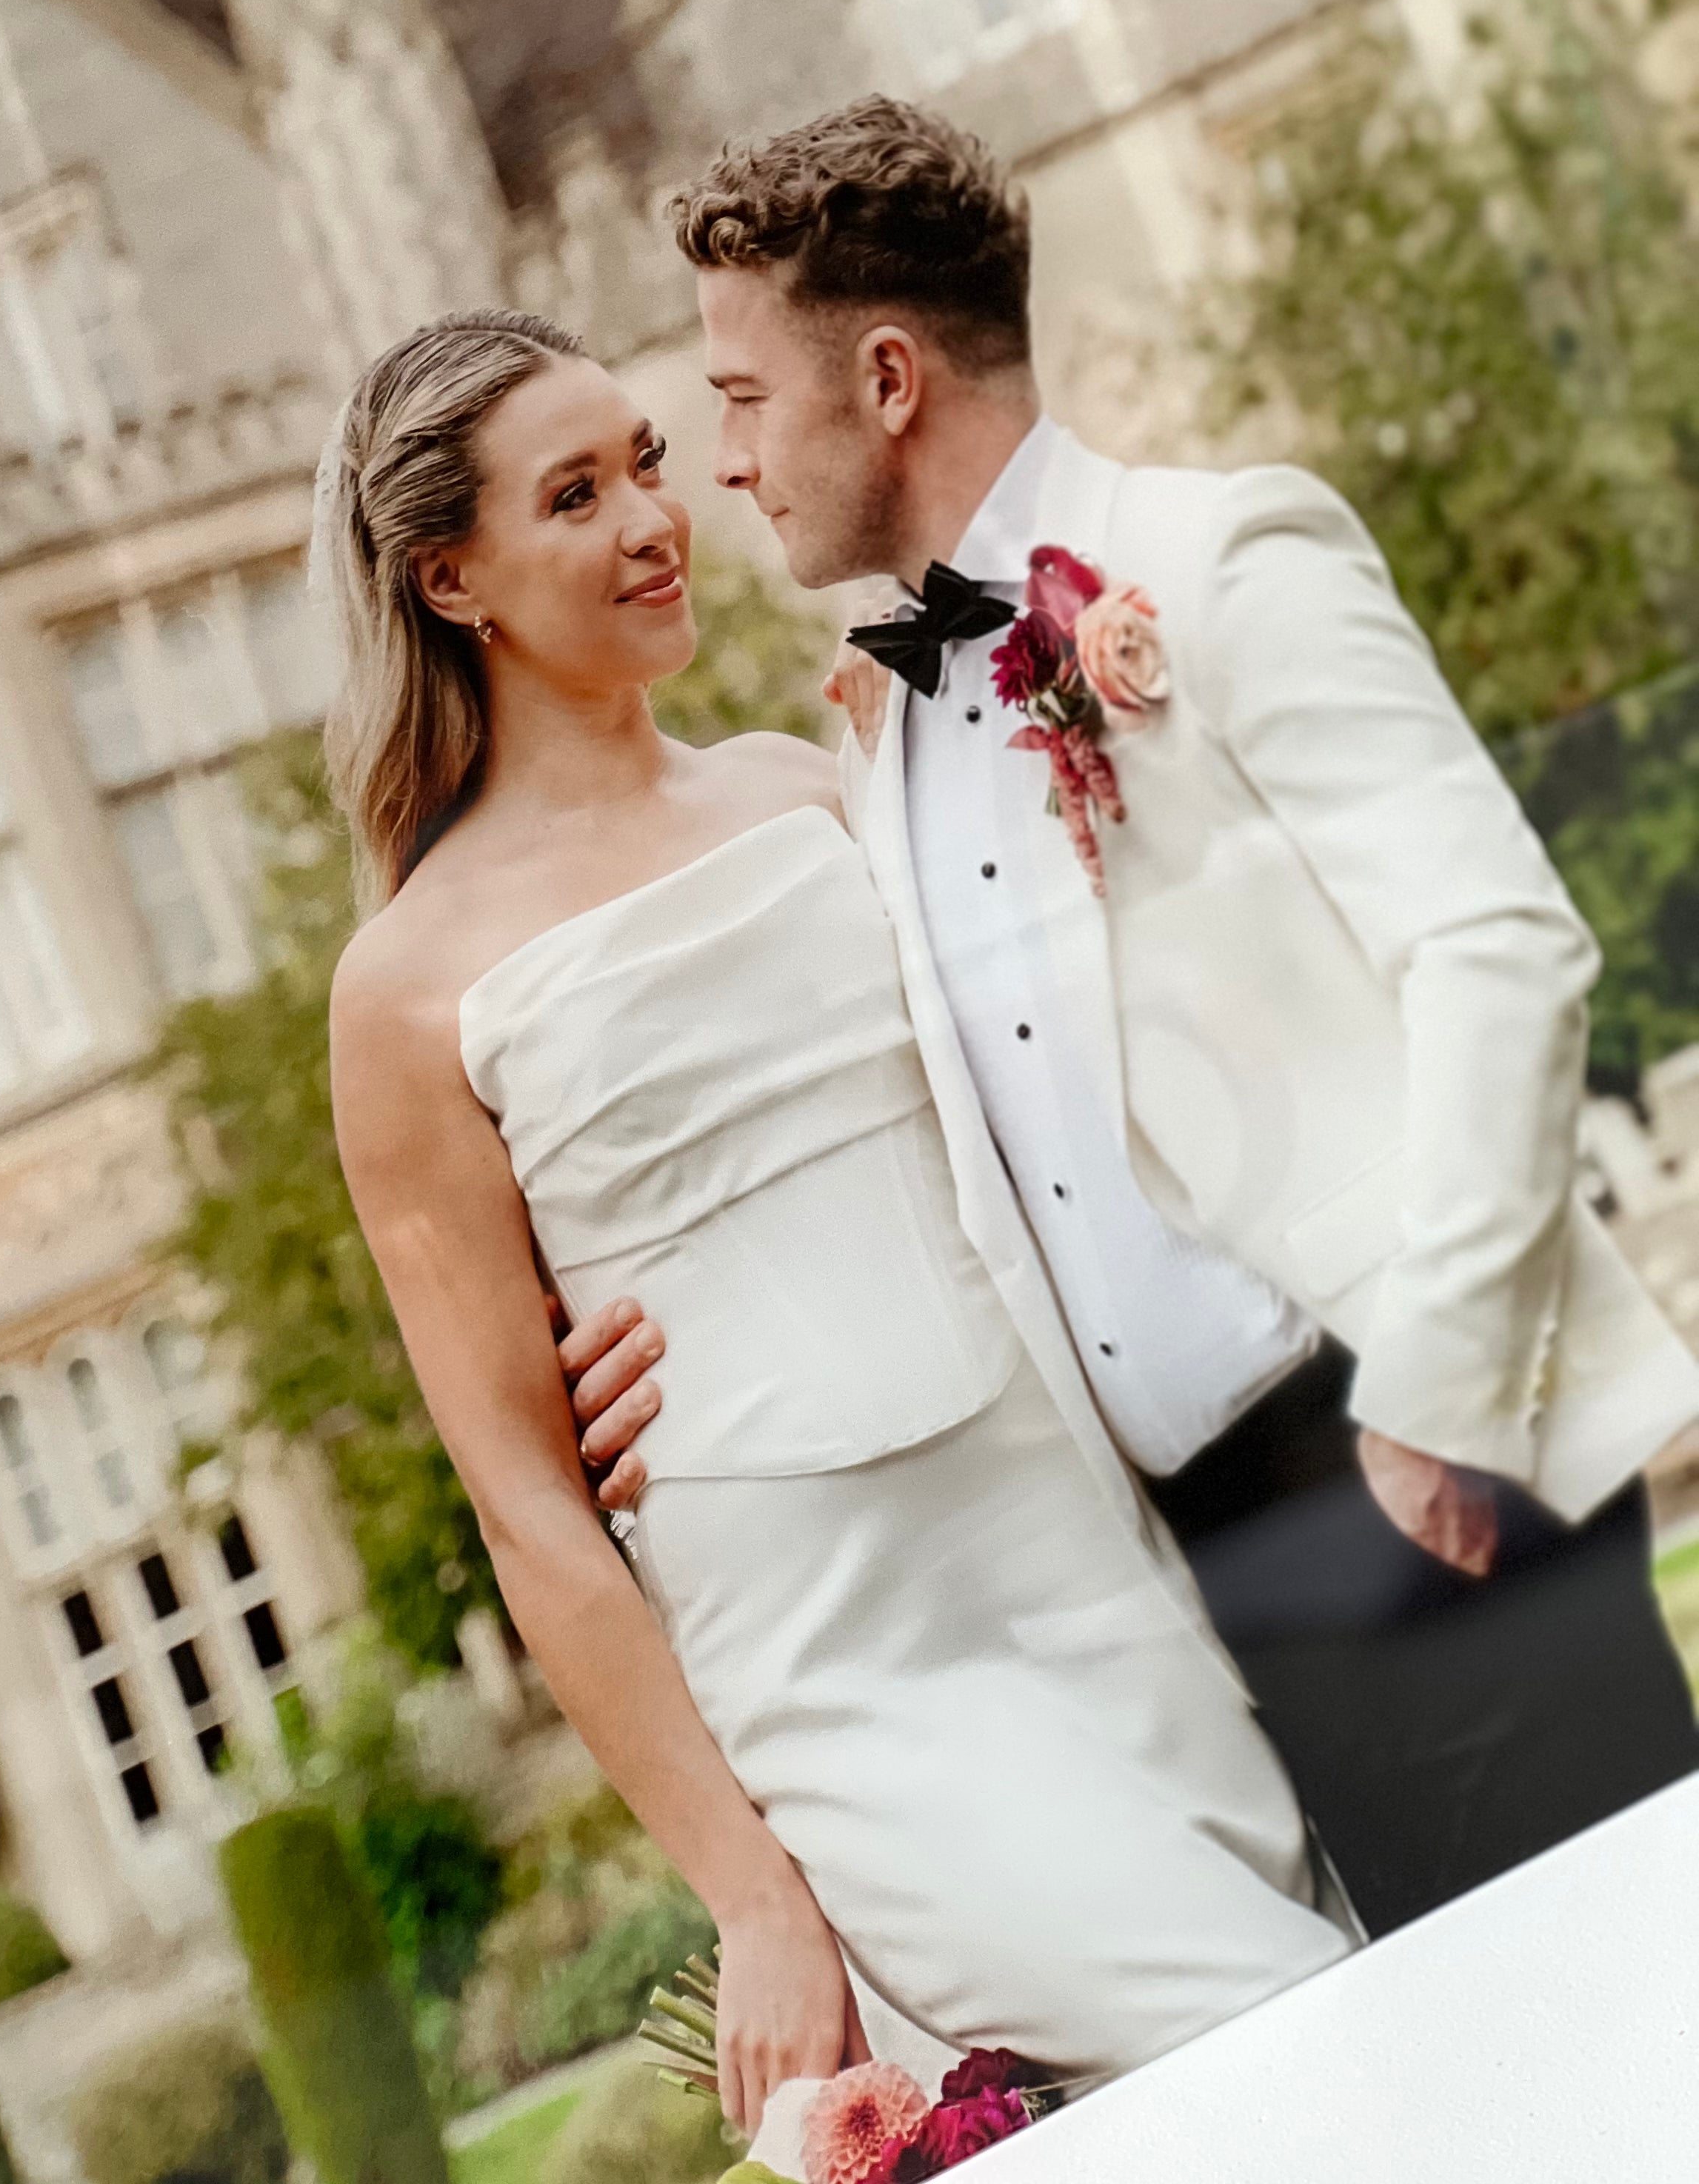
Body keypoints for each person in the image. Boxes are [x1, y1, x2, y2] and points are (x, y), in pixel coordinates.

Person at [564, 96, 1699, 1935]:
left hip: (1410, 1459)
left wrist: (1442, 1394)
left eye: (744, 398)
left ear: (886, 376)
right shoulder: (888, 734)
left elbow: (1500, 948)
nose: (724, 459)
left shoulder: (1226, 558)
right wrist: (634, 1370)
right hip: (1196, 1577)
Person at [320, 309, 1351, 2137]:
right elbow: (527, 1501)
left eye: (648, 463)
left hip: (1078, 1544)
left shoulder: (825, 788)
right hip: (832, 1651)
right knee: (1274, 2037)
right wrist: (750, 1894)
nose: (655, 519)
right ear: (451, 578)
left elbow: (1062, 1097)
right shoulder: (404, 993)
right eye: (577, 495)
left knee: (1318, 2014)